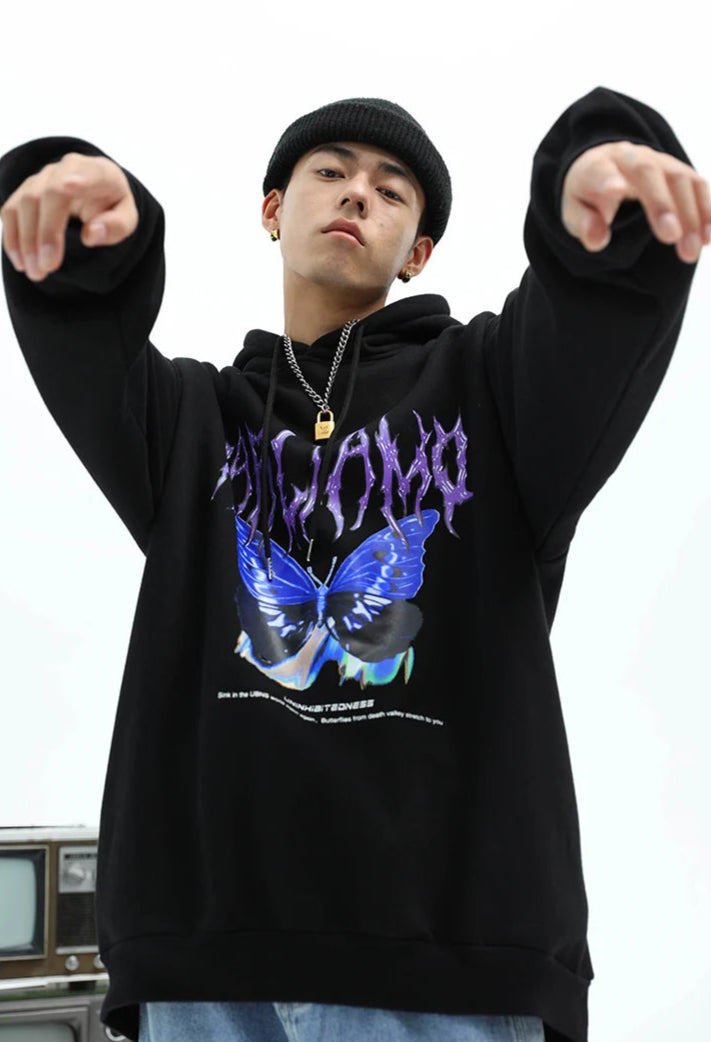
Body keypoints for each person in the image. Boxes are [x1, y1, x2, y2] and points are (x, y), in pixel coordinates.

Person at [0, 88, 708, 1042]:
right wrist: (86, 232)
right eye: (329, 171)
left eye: (392, 189)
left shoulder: (496, 391)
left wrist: (602, 206)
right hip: (205, 970)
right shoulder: (191, 425)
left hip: (448, 972)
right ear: (271, 209)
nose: (357, 193)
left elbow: (591, 320)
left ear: (417, 252)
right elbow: (85, 334)